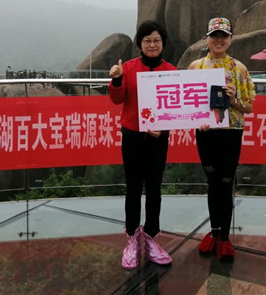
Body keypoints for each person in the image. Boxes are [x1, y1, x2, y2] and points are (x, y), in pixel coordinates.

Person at [108, 20, 176, 270]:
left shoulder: (171, 71)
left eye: (156, 40)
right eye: (147, 40)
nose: (152, 44)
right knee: (134, 188)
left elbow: (175, 108)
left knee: (155, 189)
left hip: (158, 139)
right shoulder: (127, 68)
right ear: (140, 43)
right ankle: (131, 240)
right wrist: (117, 80)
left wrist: (164, 128)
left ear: (163, 43)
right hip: (133, 137)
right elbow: (117, 99)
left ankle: (152, 238)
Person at [188, 17, 256, 262]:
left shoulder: (239, 69)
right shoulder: (195, 67)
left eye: (223, 36)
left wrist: (233, 99)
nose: (219, 40)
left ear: (230, 39)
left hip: (231, 132)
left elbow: (249, 107)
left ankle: (225, 237)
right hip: (206, 133)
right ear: (207, 39)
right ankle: (214, 231)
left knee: (226, 182)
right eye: (214, 35)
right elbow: (188, 104)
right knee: (212, 180)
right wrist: (198, 118)